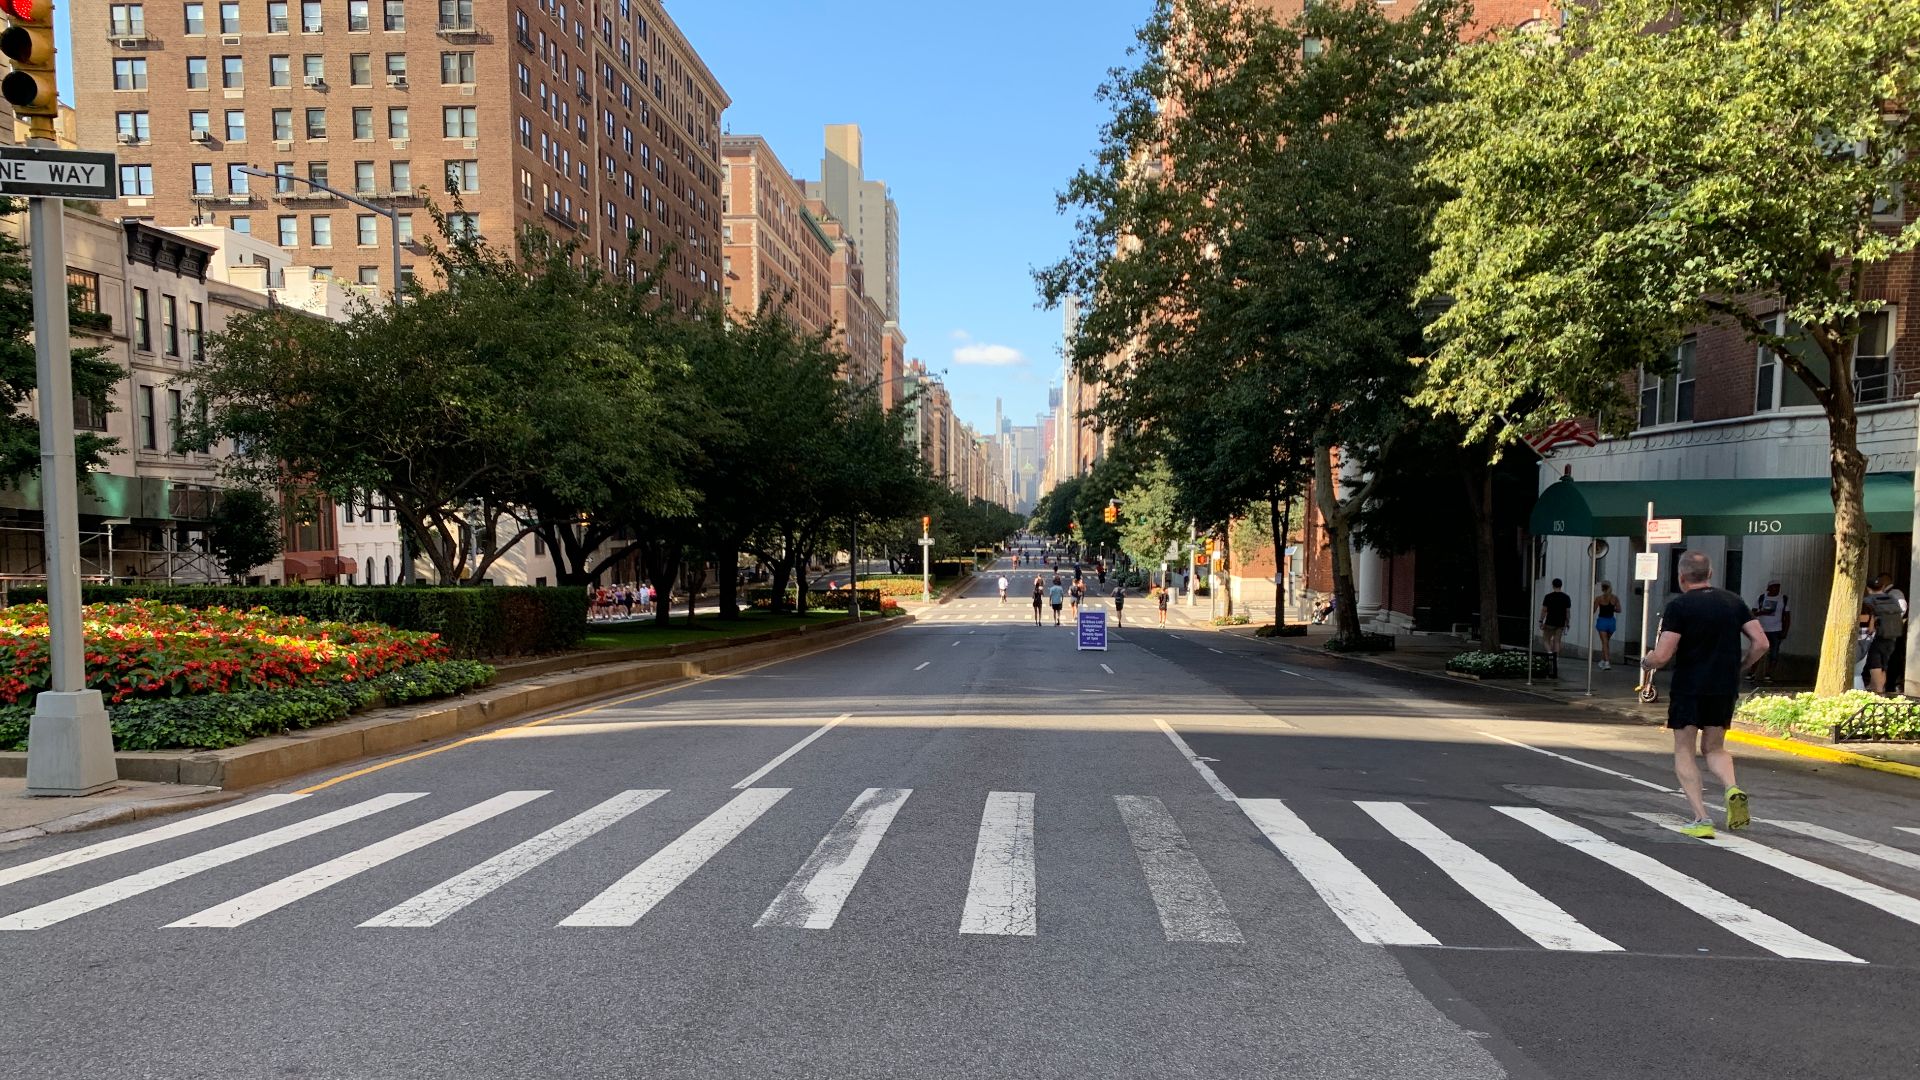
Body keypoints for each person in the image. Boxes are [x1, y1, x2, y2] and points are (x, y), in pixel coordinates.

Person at [1638, 551, 1764, 838]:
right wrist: (1741, 666)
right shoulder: (1733, 602)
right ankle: (1732, 787)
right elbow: (1761, 643)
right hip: (1723, 687)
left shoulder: (1679, 606)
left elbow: (1663, 655)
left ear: (1681, 577)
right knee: (1715, 748)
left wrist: (1647, 662)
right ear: (1710, 574)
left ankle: (1701, 818)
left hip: (1689, 687)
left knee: (1684, 750)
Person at [1865, 575, 1906, 694]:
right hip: (1892, 636)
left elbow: (1869, 619)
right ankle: (1882, 690)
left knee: (1875, 665)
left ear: (1868, 588)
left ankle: (1878, 692)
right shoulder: (1892, 599)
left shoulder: (1869, 600)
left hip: (1878, 636)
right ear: (1882, 586)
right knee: (1884, 666)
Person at [1749, 581, 1790, 684]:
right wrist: (1762, 612)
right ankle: (1752, 673)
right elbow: (1753, 613)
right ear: (1769, 588)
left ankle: (1768, 675)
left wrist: (1785, 631)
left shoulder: (1783, 599)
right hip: (1762, 629)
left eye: (1778, 587)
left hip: (1776, 630)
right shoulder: (1762, 598)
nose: (1776, 589)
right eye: (1774, 587)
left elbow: (1787, 616)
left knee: (1774, 654)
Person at [1539, 579, 1572, 676]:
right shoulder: (1566, 597)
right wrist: (1567, 622)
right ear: (1561, 586)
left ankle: (1549, 653)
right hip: (1560, 623)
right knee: (1557, 641)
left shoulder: (1548, 597)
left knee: (1546, 639)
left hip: (1550, 622)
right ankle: (1556, 658)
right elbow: (1567, 612)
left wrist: (1541, 620)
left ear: (1553, 585)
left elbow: (1544, 610)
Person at [1592, 582, 1620, 670]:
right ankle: (1603, 660)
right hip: (1611, 621)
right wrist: (1612, 609)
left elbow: (1593, 610)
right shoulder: (1615, 598)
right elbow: (1619, 610)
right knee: (1606, 642)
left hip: (1602, 621)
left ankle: (1607, 662)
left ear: (1602, 589)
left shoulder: (1599, 598)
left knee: (1604, 642)